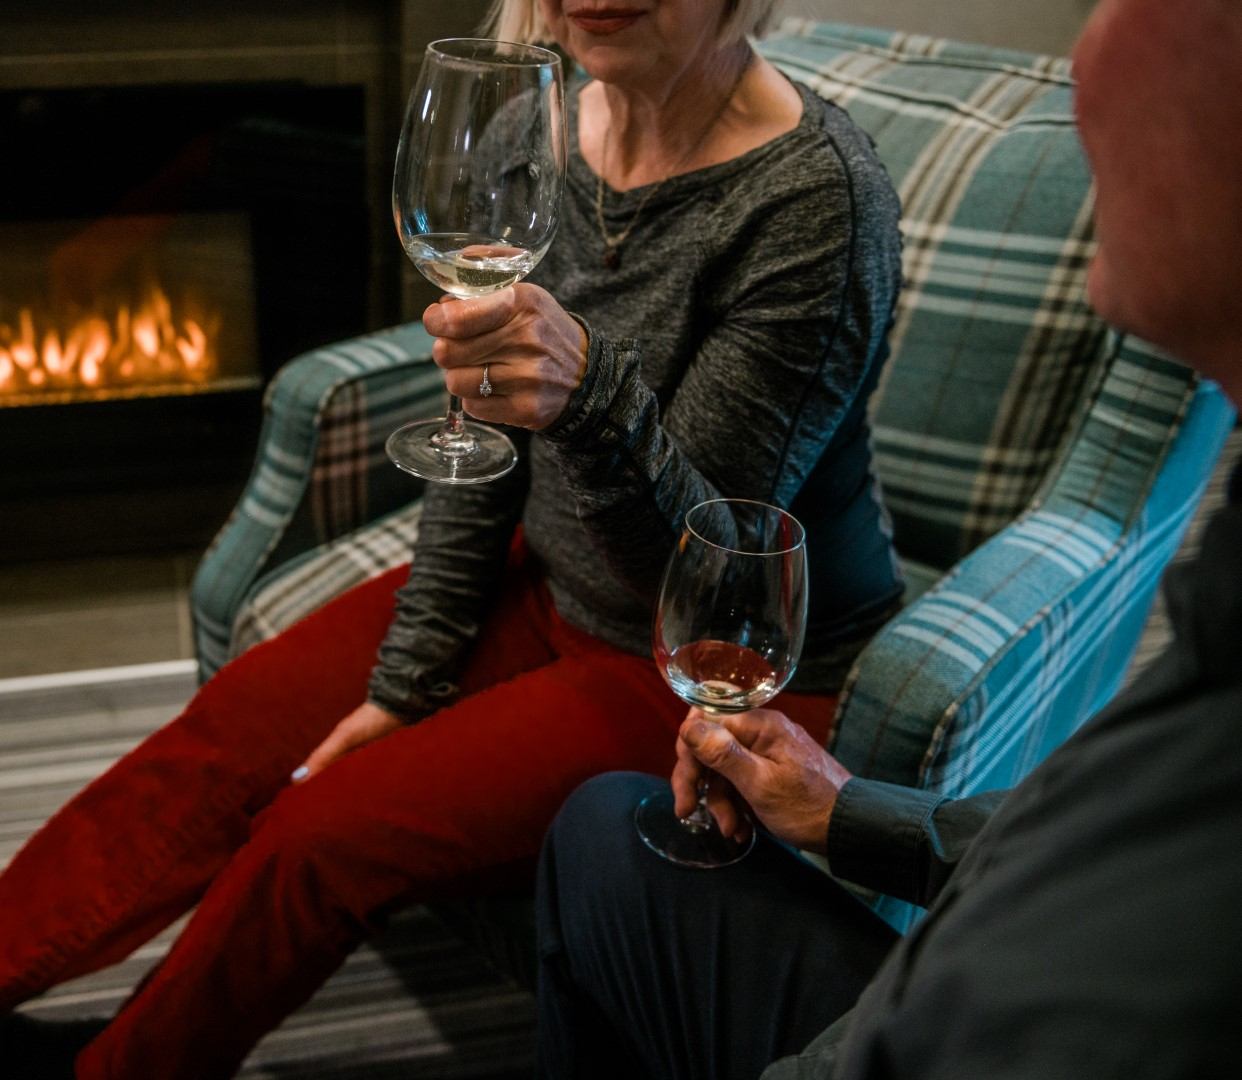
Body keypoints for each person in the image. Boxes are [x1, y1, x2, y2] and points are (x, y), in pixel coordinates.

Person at [0, 1, 905, 1076]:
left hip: (710, 665)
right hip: (553, 576)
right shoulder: (538, 119)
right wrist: (408, 681)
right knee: (222, 740)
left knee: (320, 836)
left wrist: (588, 397)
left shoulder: (813, 199)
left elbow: (700, 575)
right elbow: (481, 438)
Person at [533, 0, 1242, 1075]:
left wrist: (589, 401)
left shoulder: (817, 192)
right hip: (935, 980)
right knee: (603, 833)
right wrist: (853, 815)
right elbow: (1110, 855)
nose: (1083, 58)